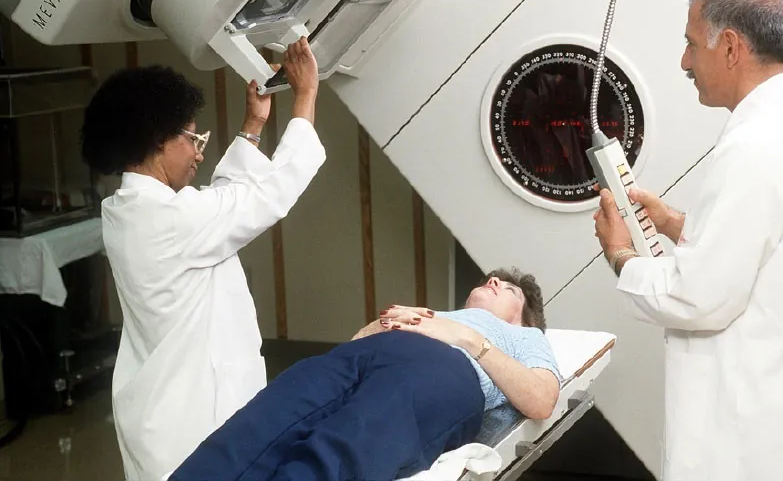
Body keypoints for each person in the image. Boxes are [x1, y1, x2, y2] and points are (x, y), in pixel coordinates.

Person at [593, 0, 783, 481]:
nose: (685, 62)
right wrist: (673, 223)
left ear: (732, 48)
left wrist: (621, 254)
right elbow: (775, 248)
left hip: (752, 439)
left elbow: (698, 298)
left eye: (692, 44)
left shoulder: (757, 146)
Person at [80, 38, 326, 481]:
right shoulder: (171, 220)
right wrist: (305, 97)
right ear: (158, 140)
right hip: (194, 423)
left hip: (164, 412)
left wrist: (253, 125)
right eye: (193, 138)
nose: (199, 151)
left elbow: (221, 203)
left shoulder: (127, 209)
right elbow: (269, 195)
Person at [168, 269, 561, 481]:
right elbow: (357, 339)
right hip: (357, 358)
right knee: (259, 427)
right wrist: (385, 324)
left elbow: (542, 399)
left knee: (340, 451)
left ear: (524, 317)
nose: (493, 281)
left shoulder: (524, 337)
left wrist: (468, 338)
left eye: (508, 288)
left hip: (442, 373)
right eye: (492, 278)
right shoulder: (434, 315)